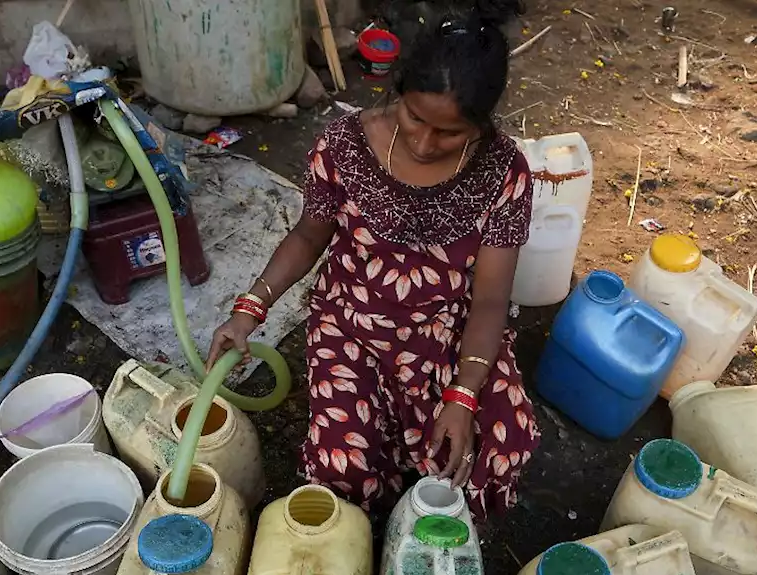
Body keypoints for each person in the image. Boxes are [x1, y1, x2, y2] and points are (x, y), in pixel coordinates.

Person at [207, 2, 539, 521]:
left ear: (482, 122)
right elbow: (307, 235)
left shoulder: (505, 171)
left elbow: (492, 298)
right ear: (399, 90)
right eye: (414, 117)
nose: (425, 143)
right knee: (345, 470)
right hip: (352, 324)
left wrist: (463, 396)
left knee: (494, 452)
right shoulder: (343, 146)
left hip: (447, 329)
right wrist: (250, 309)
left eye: (450, 133)